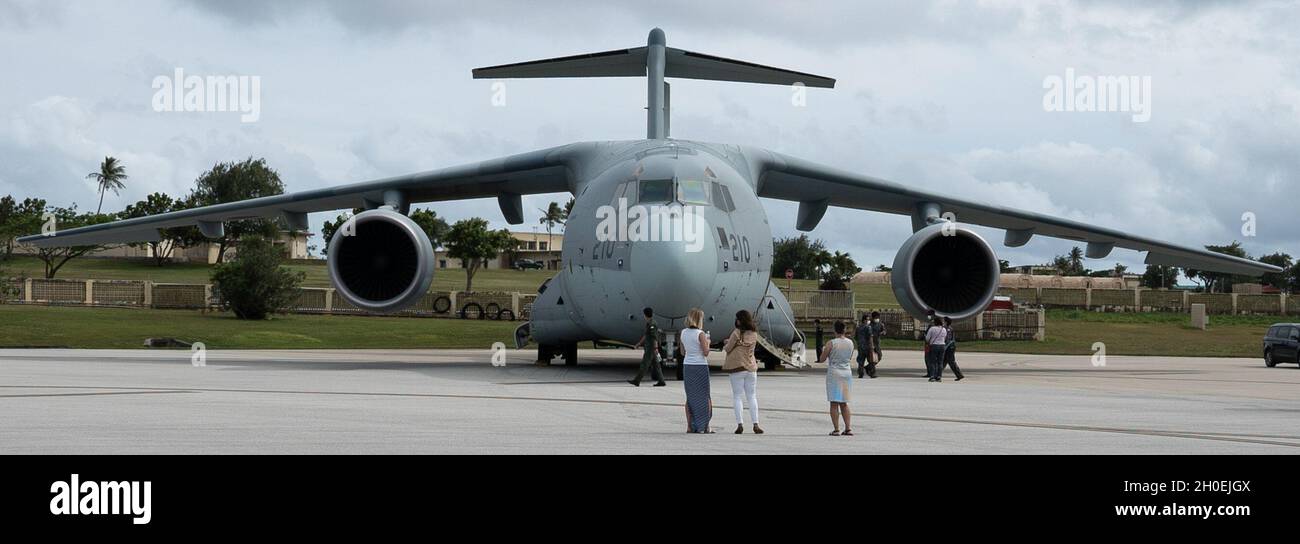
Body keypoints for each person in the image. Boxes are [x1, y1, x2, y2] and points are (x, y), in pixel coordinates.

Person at [723, 310, 763, 434]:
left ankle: (740, 424)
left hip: (737, 368)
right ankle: (756, 423)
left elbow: (728, 348)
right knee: (751, 396)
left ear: (740, 320)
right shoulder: (754, 334)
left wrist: (726, 343)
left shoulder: (736, 333)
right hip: (751, 368)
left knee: (737, 396)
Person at [818, 320, 854, 436]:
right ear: (844, 329)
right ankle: (848, 428)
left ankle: (836, 429)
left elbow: (822, 359)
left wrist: (824, 352)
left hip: (835, 373)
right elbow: (850, 356)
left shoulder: (831, 343)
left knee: (834, 402)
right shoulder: (850, 343)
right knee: (844, 402)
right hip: (846, 372)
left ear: (835, 330)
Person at [681, 308, 713, 433]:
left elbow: (683, 352)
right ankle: (705, 426)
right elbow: (706, 353)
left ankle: (689, 425)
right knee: (705, 396)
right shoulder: (701, 334)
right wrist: (708, 342)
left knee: (690, 396)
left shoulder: (683, 332)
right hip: (700, 366)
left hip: (688, 365)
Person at [628, 307, 667, 387]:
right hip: (650, 347)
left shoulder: (652, 324)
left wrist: (656, 348)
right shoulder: (650, 323)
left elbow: (654, 337)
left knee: (644, 364)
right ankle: (661, 381)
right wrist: (638, 344)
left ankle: (637, 380)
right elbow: (646, 335)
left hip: (651, 348)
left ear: (645, 315)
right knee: (657, 365)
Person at [940, 316, 964, 381]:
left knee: (950, 361)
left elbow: (947, 339)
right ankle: (937, 374)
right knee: (943, 361)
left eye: (943, 320)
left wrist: (944, 347)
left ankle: (959, 375)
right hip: (951, 346)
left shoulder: (945, 329)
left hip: (949, 347)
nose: (942, 321)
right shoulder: (950, 328)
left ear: (946, 322)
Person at [924, 316, 947, 382]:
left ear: (935, 322)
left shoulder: (932, 328)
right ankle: (939, 376)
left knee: (933, 361)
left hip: (934, 346)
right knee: (940, 362)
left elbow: (927, 338)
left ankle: (932, 376)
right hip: (942, 346)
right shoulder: (944, 329)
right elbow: (945, 338)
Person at [854, 314, 874, 379]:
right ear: (864, 320)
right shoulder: (868, 327)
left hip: (860, 346)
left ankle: (860, 373)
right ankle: (871, 373)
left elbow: (856, 337)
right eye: (868, 319)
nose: (869, 321)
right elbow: (870, 337)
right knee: (870, 360)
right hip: (867, 346)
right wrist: (872, 346)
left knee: (861, 360)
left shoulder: (858, 327)